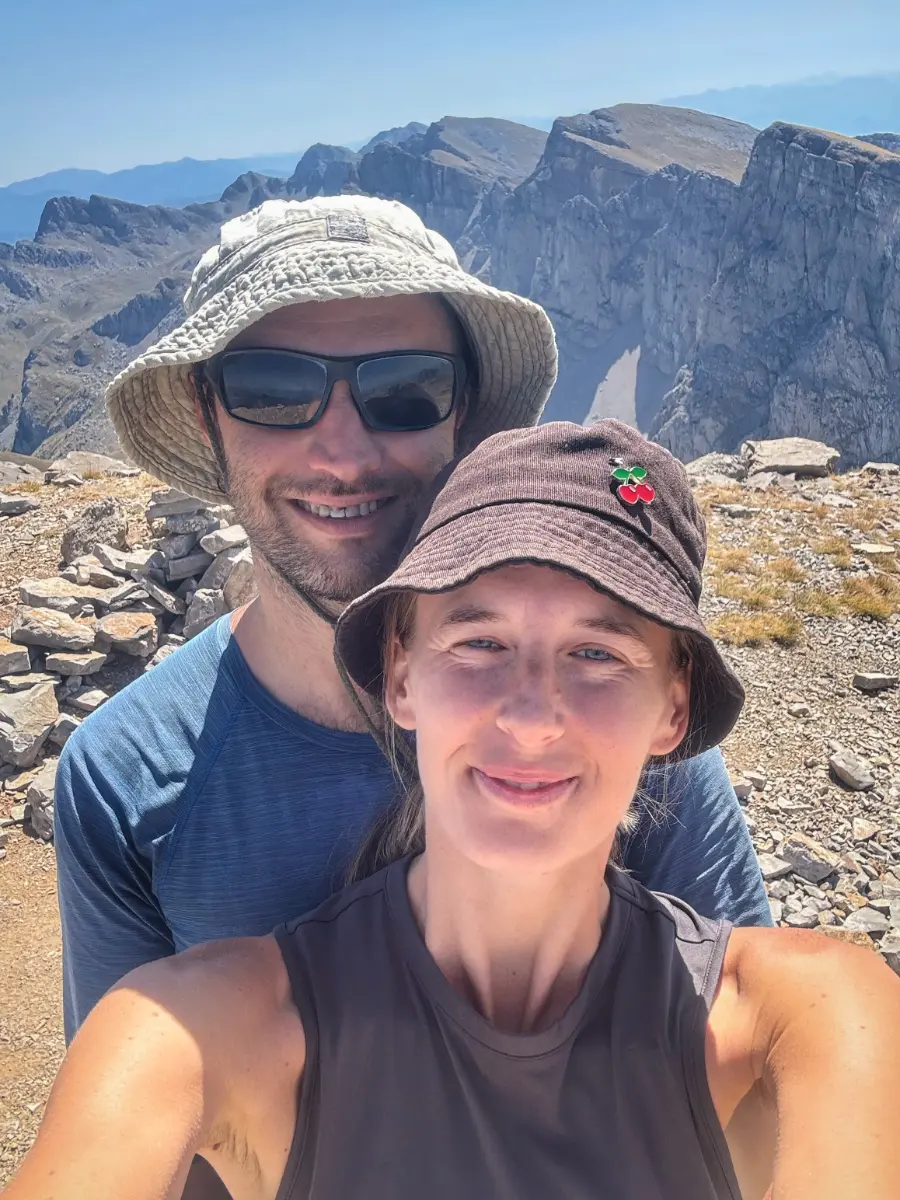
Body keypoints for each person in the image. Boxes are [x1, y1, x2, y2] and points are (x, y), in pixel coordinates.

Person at [10, 421, 899, 1200]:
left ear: (674, 711)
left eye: (599, 653)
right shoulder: (188, 1029)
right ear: (401, 676)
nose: (530, 715)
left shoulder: (818, 1013)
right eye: (479, 642)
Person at [56, 194, 768, 1042]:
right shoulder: (124, 779)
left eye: (405, 389)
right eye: (273, 392)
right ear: (209, 413)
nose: (345, 454)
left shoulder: (610, 714)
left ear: (459, 413)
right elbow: (133, 1116)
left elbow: (746, 1036)